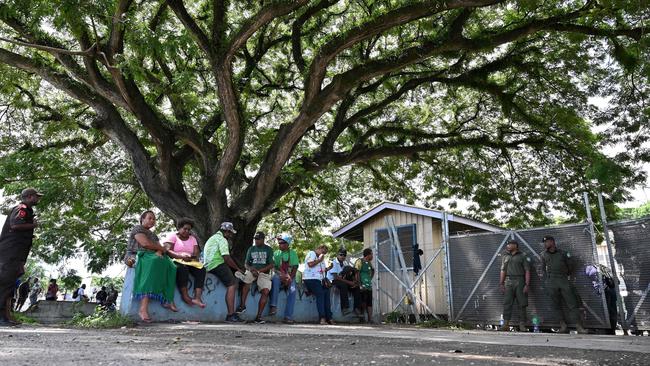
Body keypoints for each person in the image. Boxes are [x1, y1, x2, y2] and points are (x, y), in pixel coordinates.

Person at [0, 188, 42, 326]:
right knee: (5, 284)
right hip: (10, 253)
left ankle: (6, 316)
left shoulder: (26, 210)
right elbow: (15, 224)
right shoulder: (21, 208)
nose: (38, 199)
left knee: (9, 284)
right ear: (29, 197)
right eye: (36, 196)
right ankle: (2, 318)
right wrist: (33, 225)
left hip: (15, 254)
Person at [127, 210, 179, 322]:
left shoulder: (153, 235)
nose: (152, 220)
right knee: (153, 263)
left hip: (151, 254)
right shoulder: (138, 229)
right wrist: (162, 249)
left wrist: (160, 252)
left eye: (154, 219)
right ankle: (143, 308)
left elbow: (158, 248)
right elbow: (145, 244)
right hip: (137, 254)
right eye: (150, 218)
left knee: (171, 266)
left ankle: (167, 299)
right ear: (142, 219)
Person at [541, 235, 586, 334]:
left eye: (547, 242)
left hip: (563, 280)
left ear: (552, 242)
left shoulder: (563, 253)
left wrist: (568, 276)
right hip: (551, 281)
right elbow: (543, 269)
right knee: (555, 304)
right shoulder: (543, 255)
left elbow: (571, 266)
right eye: (545, 242)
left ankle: (579, 326)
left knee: (572, 303)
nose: (545, 244)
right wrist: (546, 281)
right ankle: (563, 326)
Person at [202, 222, 245, 322]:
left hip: (209, 264)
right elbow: (226, 257)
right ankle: (231, 315)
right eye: (230, 233)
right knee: (232, 285)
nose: (230, 235)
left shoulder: (213, 237)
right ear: (226, 231)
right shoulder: (222, 239)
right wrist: (238, 269)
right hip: (216, 263)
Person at [163, 218, 206, 308]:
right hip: (176, 260)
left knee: (201, 269)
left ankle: (197, 298)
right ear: (179, 228)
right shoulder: (173, 236)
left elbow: (196, 252)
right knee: (183, 268)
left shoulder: (192, 238)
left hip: (190, 261)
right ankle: (185, 296)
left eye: (189, 229)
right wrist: (181, 257)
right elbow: (167, 250)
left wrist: (191, 257)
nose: (187, 231)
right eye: (185, 229)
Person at [236, 231, 274, 324]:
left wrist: (259, 271)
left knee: (265, 291)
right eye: (255, 239)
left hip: (263, 273)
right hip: (252, 271)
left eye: (258, 239)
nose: (256, 241)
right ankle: (242, 306)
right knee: (247, 281)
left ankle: (258, 317)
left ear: (263, 239)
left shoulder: (268, 249)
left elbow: (271, 264)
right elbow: (246, 263)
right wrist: (251, 269)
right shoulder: (251, 249)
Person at [499, 240, 531, 332]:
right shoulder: (505, 256)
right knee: (507, 303)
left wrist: (527, 284)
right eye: (507, 244)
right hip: (508, 281)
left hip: (520, 280)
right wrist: (501, 283)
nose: (508, 246)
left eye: (510, 244)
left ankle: (522, 325)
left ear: (515, 245)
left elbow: (527, 271)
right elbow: (503, 270)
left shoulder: (523, 256)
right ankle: (505, 324)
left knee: (522, 304)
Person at [269, 233, 299, 324]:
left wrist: (290, 278)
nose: (280, 244)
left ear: (287, 244)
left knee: (293, 290)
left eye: (282, 243)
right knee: (275, 279)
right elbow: (273, 267)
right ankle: (273, 306)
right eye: (279, 243)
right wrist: (280, 274)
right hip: (279, 275)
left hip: (290, 276)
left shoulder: (293, 253)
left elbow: (295, 267)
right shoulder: (276, 253)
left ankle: (288, 316)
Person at [303, 244, 334, 325]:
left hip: (319, 280)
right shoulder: (312, 253)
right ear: (319, 248)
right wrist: (320, 260)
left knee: (326, 292)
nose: (323, 254)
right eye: (323, 251)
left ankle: (329, 317)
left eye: (325, 253)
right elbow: (310, 264)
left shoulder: (321, 258)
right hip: (310, 279)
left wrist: (329, 268)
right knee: (320, 293)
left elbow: (321, 270)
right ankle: (322, 317)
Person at [327, 248, 361, 316]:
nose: (343, 256)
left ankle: (356, 308)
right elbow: (336, 277)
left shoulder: (345, 263)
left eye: (344, 255)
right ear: (337, 255)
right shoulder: (333, 262)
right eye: (341, 255)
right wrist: (349, 282)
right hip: (333, 280)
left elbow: (355, 271)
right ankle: (344, 308)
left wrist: (355, 281)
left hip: (343, 280)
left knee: (356, 287)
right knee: (343, 284)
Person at [355, 248, 375, 323]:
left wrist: (369, 278)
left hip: (368, 285)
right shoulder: (360, 261)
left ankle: (370, 319)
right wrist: (360, 284)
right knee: (363, 301)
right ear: (368, 255)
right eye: (371, 254)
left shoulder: (369, 263)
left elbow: (373, 270)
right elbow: (357, 273)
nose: (372, 256)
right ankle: (362, 317)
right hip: (362, 284)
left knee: (369, 302)